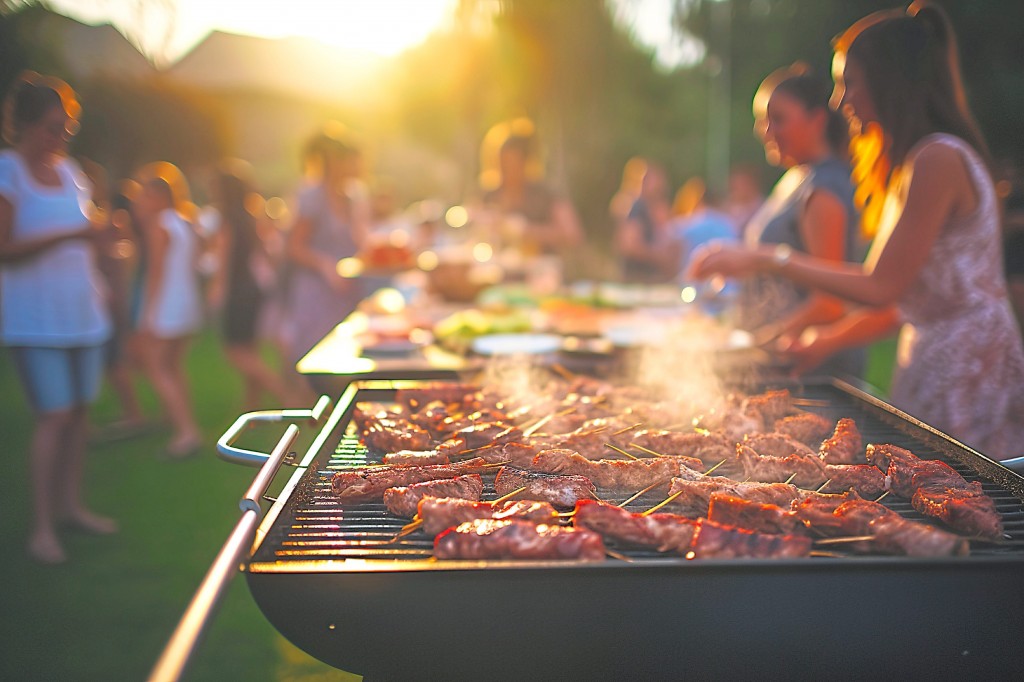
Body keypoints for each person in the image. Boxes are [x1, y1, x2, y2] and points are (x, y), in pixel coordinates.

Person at [690, 1, 1024, 459]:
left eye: (849, 82)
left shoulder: (937, 158)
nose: (837, 100)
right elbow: (907, 297)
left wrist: (768, 260)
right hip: (933, 355)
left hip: (968, 366)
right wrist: (826, 339)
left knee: (965, 507)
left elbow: (880, 286)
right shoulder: (916, 161)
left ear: (889, 81)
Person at [0, 72, 115, 563]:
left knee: (80, 416)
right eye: (53, 126)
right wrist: (71, 235)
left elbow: (87, 229)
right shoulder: (8, 173)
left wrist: (101, 246)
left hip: (83, 313)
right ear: (23, 124)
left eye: (67, 126)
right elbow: (5, 250)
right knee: (55, 416)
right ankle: (41, 528)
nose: (62, 136)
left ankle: (71, 509)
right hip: (35, 319)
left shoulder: (71, 172)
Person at [738, 63, 868, 378]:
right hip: (787, 364)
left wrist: (757, 343)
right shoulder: (796, 177)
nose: (767, 131)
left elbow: (830, 303)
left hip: (817, 371)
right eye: (762, 121)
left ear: (817, 120)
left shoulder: (824, 189)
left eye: (778, 119)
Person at [207, 160, 293, 409]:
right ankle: (251, 405)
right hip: (253, 289)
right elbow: (266, 253)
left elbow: (224, 261)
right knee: (250, 349)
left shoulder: (227, 220)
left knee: (235, 352)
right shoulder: (250, 216)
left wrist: (216, 292)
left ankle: (285, 395)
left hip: (237, 290)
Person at [134, 163, 203, 457]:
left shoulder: (159, 224)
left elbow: (156, 271)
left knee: (157, 367)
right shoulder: (184, 221)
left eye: (145, 196)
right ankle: (180, 421)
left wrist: (146, 313)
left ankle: (187, 432)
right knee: (174, 366)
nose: (141, 203)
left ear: (159, 197)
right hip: (186, 300)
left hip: (167, 302)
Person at [285, 125, 369, 367]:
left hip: (345, 291)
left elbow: (358, 243)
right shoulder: (312, 196)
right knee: (312, 360)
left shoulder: (352, 196)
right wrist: (325, 265)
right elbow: (294, 246)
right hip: (317, 293)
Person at [480, 121, 582, 256]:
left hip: (541, 271)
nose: (507, 170)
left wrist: (526, 231)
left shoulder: (545, 195)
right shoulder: (489, 195)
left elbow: (572, 235)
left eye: (513, 164)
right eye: (503, 164)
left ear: (525, 163)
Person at [616, 161, 679, 282]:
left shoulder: (656, 208)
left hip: (652, 278)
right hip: (638, 278)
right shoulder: (637, 208)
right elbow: (629, 245)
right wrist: (659, 257)